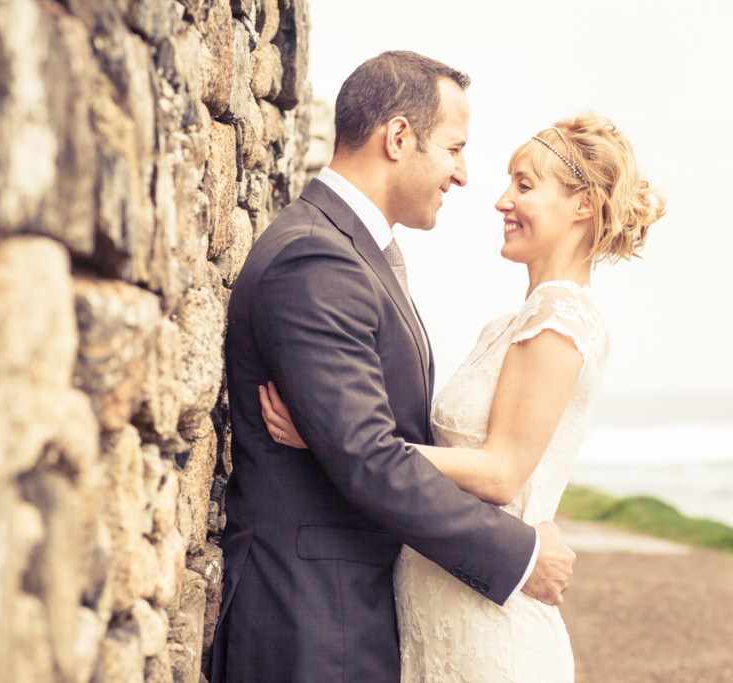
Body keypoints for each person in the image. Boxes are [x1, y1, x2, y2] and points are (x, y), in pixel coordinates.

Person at [210, 50, 578, 683]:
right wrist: (517, 555)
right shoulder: (316, 260)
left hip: (348, 613)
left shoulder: (354, 253)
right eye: (454, 149)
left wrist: (341, 441)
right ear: (399, 137)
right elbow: (368, 459)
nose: (463, 176)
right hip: (310, 622)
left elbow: (364, 443)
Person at [261, 112, 665, 681]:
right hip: (441, 601)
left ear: (584, 206)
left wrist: (335, 439)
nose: (502, 200)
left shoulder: (559, 319)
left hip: (488, 624)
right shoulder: (509, 323)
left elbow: (501, 473)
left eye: (524, 185)